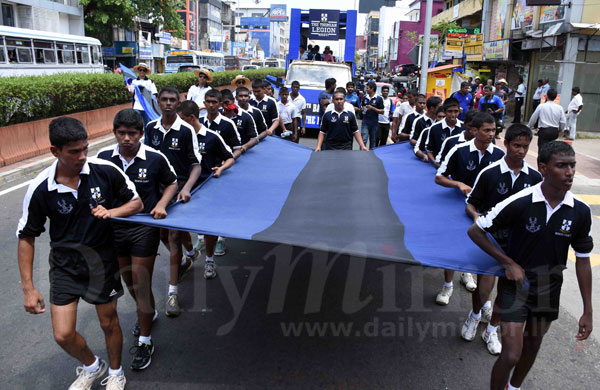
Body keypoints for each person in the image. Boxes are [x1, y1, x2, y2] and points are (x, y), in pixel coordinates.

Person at [17, 117, 143, 390]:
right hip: (64, 267)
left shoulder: (104, 170)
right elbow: (26, 236)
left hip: (101, 263)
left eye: (85, 149)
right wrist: (28, 288)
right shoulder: (41, 187)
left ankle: (116, 372)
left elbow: (136, 202)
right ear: (55, 151)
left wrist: (112, 212)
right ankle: (92, 365)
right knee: (63, 335)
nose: (83, 156)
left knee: (108, 323)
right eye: (74, 152)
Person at [468, 141, 593, 390]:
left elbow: (583, 259)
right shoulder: (521, 201)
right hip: (517, 286)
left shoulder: (580, 210)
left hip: (549, 287)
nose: (569, 172)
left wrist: (587, 309)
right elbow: (476, 231)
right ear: (543, 168)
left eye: (572, 166)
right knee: (512, 354)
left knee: (533, 344)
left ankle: (514, 387)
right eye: (561, 166)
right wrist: (508, 263)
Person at [97, 109, 178, 371]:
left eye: (132, 133)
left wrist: (163, 204)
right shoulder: (103, 159)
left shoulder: (155, 158)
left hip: (144, 228)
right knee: (128, 281)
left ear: (141, 134)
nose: (127, 138)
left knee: (141, 283)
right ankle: (150, 313)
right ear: (114, 133)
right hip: (114, 228)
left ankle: (145, 340)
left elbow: (172, 183)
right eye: (121, 133)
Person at [462, 124, 542, 356]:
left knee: (507, 294)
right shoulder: (489, 173)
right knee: (484, 285)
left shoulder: (535, 178)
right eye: (516, 145)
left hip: (519, 245)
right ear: (505, 144)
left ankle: (492, 329)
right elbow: (471, 203)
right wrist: (476, 216)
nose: (521, 151)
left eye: (525, 147)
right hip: (490, 240)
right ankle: (475, 316)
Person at [434, 112, 505, 305]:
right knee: (452, 246)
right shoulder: (459, 150)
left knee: (479, 247)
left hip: (484, 210)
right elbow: (439, 177)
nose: (491, 134)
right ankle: (447, 285)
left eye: (494, 130)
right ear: (474, 131)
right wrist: (458, 184)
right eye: (487, 130)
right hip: (457, 206)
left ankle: (468, 274)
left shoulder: (499, 155)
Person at [145, 86, 203, 317]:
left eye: (173, 100)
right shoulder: (150, 129)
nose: (168, 103)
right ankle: (186, 256)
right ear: (158, 102)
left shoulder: (187, 130)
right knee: (162, 236)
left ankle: (172, 293)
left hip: (178, 190)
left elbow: (196, 164)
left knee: (174, 236)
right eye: (164, 99)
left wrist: (187, 188)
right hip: (155, 192)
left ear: (178, 103)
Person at [178, 100, 236, 278]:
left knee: (208, 228)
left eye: (181, 119)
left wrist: (221, 169)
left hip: (207, 190)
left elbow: (230, 157)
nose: (178, 123)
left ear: (192, 118)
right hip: (183, 190)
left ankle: (209, 261)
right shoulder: (179, 136)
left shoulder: (212, 137)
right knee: (179, 227)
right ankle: (190, 253)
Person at [425, 97, 463, 166]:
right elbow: (429, 150)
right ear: (444, 111)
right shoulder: (434, 128)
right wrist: (435, 163)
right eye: (450, 111)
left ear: (459, 111)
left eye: (456, 111)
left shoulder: (464, 128)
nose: (453, 114)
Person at [128, 63, 157, 127]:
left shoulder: (150, 82)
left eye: (144, 70)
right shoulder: (134, 82)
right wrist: (129, 88)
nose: (142, 72)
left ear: (146, 72)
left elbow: (154, 94)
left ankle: (147, 137)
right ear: (138, 71)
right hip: (137, 107)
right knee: (136, 125)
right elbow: (131, 94)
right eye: (140, 70)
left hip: (147, 108)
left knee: (147, 126)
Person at [361, 82, 384, 149]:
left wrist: (372, 108)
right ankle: (361, 155)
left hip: (374, 123)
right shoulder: (365, 97)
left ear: (372, 89)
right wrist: (362, 109)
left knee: (373, 141)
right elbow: (362, 107)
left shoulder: (379, 98)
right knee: (363, 140)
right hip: (365, 122)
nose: (366, 90)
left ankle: (371, 156)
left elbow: (382, 111)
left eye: (367, 88)